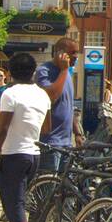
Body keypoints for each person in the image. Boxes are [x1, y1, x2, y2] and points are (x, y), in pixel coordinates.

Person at [0, 53, 53, 222]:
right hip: (34, 154)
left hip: (14, 154)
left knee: (14, 205)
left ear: (10, 73)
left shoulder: (9, 94)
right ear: (33, 71)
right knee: (19, 203)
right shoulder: (42, 95)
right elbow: (46, 128)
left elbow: (2, 128)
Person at [35, 37, 83, 173]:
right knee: (47, 186)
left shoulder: (67, 73)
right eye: (72, 53)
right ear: (60, 53)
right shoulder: (44, 71)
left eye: (77, 53)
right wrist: (63, 71)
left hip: (66, 143)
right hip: (50, 143)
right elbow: (51, 97)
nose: (75, 57)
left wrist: (77, 133)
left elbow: (69, 106)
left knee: (62, 189)